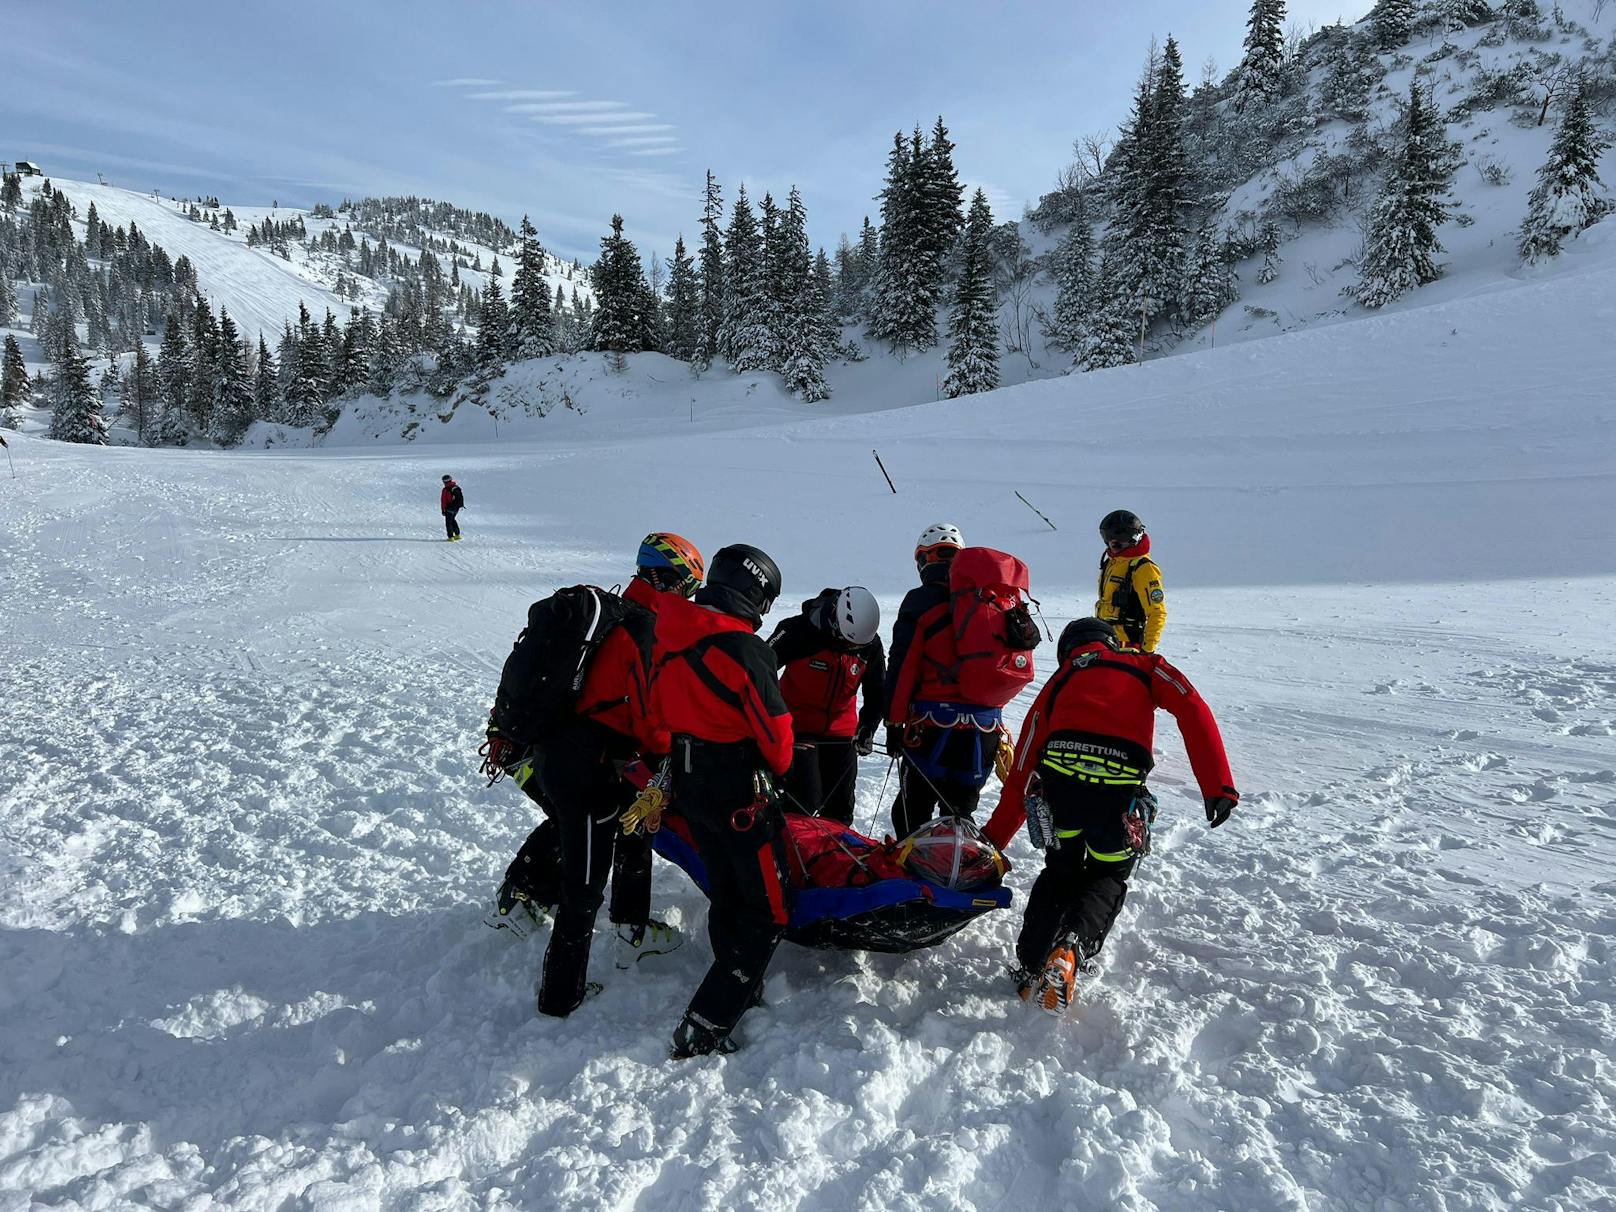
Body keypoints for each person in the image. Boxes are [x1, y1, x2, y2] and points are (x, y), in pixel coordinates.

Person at [482, 533, 706, 1010]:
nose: (687, 599)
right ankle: (560, 996)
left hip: (567, 754)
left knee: (633, 828)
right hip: (584, 768)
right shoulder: (644, 631)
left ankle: (630, 928)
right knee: (584, 886)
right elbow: (651, 724)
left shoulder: (616, 611)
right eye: (687, 587)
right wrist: (678, 747)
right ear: (673, 583)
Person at [984, 618, 1239, 1014]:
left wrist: (993, 842)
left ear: (1068, 650)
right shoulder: (1147, 666)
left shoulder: (1063, 677)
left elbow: (1025, 760)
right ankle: (1071, 948)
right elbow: (1192, 706)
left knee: (1060, 871)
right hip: (1118, 794)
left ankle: (1030, 965)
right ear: (1111, 643)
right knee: (1107, 874)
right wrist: (1218, 786)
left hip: (1061, 787)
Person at [650, 543, 793, 1058]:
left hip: (690, 783)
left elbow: (657, 709)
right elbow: (777, 738)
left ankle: (743, 985)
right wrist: (775, 769)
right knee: (769, 911)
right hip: (738, 789)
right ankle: (706, 1022)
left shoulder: (667, 632)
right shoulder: (747, 650)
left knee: (727, 892)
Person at [882, 523, 1001, 837]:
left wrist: (893, 723)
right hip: (984, 729)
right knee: (960, 813)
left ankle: (914, 881)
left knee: (912, 813)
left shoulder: (921, 600)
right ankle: (959, 874)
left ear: (924, 560)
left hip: (931, 727)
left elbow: (903, 664)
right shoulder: (990, 597)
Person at [769, 587, 885, 825]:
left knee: (841, 809)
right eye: (847, 642)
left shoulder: (869, 644)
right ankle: (787, 850)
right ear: (835, 623)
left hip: (842, 732)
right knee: (804, 800)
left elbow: (877, 691)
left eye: (857, 645)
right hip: (795, 727)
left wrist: (868, 727)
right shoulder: (797, 631)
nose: (852, 648)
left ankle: (832, 858)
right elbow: (761, 669)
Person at [1094, 509, 1165, 652]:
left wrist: (1147, 649)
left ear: (1132, 539)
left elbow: (1157, 613)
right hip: (1106, 640)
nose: (1113, 548)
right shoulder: (1112, 563)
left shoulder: (1143, 568)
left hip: (1129, 646)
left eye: (1118, 544)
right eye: (1110, 543)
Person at [441, 474, 465, 542]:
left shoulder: (445, 489)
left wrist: (443, 510)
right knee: (452, 520)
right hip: (456, 508)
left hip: (449, 508)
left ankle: (450, 537)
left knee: (448, 523)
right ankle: (457, 535)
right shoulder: (456, 487)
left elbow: (443, 501)